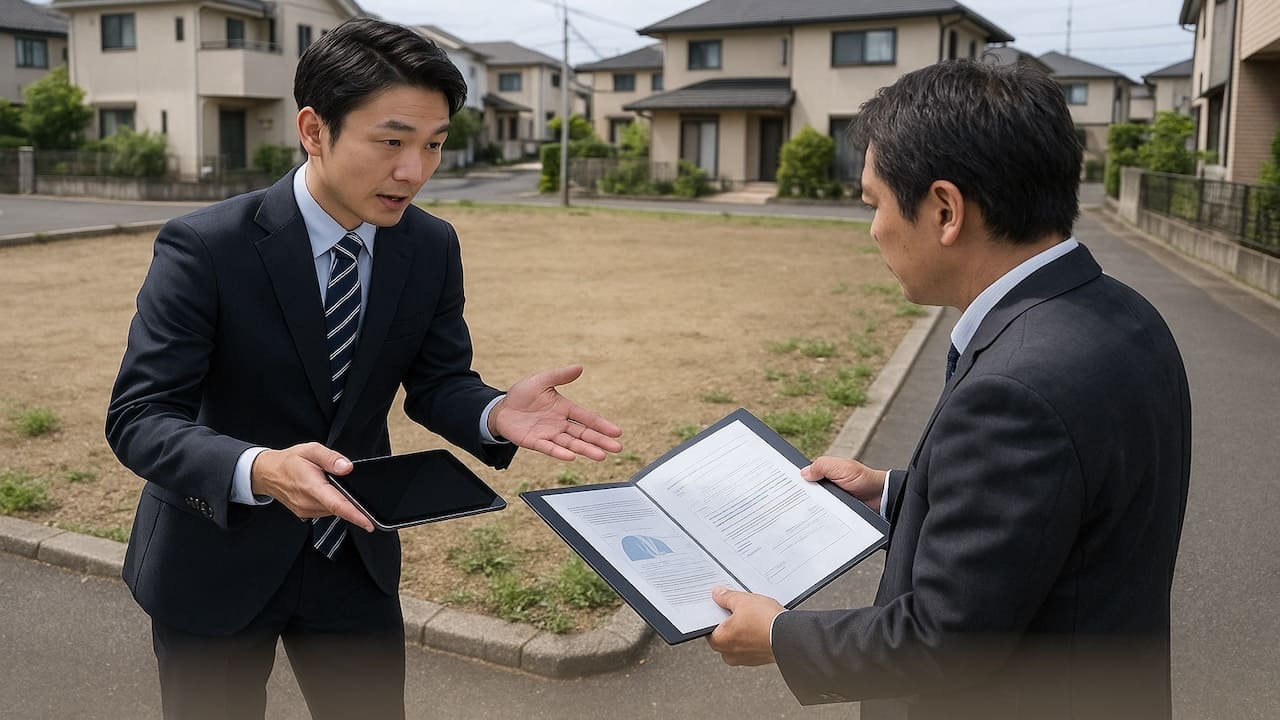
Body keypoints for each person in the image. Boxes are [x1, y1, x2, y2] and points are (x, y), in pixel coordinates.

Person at [105, 17, 622, 719]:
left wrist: (493, 411)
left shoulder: (429, 246)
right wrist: (260, 467)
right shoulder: (207, 248)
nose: (414, 171)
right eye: (391, 142)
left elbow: (437, 382)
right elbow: (140, 417)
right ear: (314, 130)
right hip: (215, 557)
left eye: (433, 145)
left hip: (352, 553)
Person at [706, 60, 1191, 720]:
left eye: (875, 204)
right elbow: (1056, 511)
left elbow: (947, 638)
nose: (873, 229)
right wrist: (894, 491)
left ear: (944, 210)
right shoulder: (1120, 313)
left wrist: (781, 637)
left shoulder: (1017, 387)